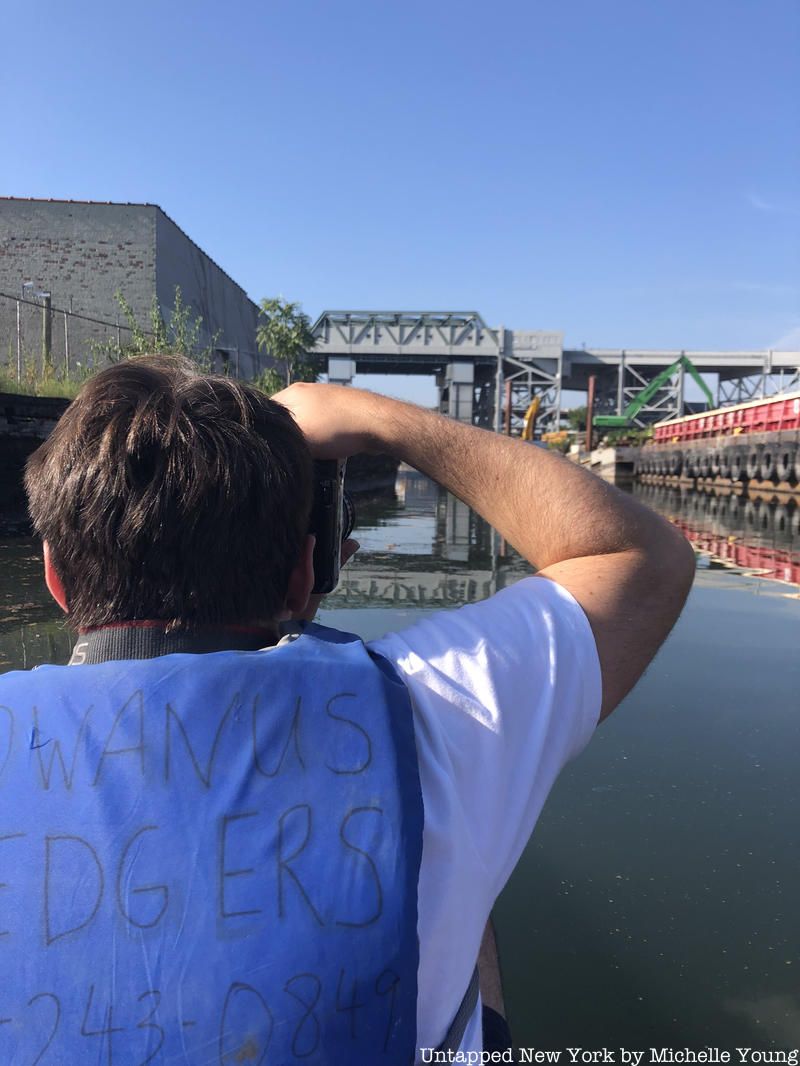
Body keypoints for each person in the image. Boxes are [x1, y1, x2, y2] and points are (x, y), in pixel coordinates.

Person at [0, 355, 695, 1064]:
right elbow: (642, 558)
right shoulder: (427, 711)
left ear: (55, 573)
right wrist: (376, 418)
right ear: (306, 570)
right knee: (458, 886)